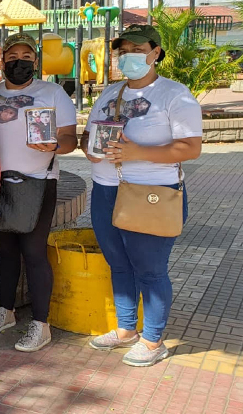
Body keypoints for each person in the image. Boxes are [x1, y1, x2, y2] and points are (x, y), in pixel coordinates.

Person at [81, 25, 202, 367]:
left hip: (152, 192)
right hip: (106, 190)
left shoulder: (174, 95)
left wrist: (136, 152)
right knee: (118, 263)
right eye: (122, 50)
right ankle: (126, 330)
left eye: (137, 48)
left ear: (155, 52)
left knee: (149, 269)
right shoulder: (110, 93)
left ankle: (153, 340)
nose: (128, 55)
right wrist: (90, 150)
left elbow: (190, 148)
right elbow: (90, 136)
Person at [0, 33, 77, 352]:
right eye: (12, 55)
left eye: (26, 55)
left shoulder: (52, 92)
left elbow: (69, 139)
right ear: (2, 59)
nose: (18, 61)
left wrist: (54, 146)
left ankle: (41, 324)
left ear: (36, 60)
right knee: (5, 253)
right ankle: (5, 312)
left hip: (38, 180)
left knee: (34, 253)